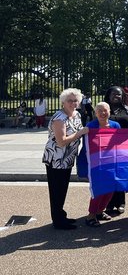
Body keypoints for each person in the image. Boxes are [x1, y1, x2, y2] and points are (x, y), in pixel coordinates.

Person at [42, 88, 89, 230]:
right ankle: (58, 221)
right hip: (56, 158)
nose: (73, 103)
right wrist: (80, 133)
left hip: (67, 159)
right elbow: (61, 141)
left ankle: (61, 215)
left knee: (62, 189)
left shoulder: (77, 115)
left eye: (75, 100)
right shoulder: (59, 118)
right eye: (70, 100)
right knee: (56, 190)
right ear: (63, 102)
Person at [78, 102, 121, 227]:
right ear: (95, 113)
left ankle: (100, 211)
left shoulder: (115, 125)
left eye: (105, 110)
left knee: (110, 189)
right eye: (99, 111)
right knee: (98, 189)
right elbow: (87, 147)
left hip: (111, 162)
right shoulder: (91, 126)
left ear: (110, 112)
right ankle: (91, 215)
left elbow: (120, 143)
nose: (103, 113)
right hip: (95, 164)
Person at [103, 86, 128, 215]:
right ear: (108, 95)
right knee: (108, 175)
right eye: (114, 93)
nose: (116, 96)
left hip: (122, 147)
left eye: (119, 94)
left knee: (121, 174)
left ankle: (121, 202)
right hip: (106, 148)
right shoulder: (103, 108)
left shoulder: (127, 109)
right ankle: (109, 203)